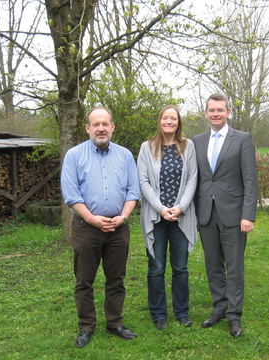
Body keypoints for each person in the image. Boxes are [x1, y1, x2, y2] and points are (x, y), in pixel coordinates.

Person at [60, 106, 140, 348]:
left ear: (113, 127)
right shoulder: (74, 156)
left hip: (118, 228)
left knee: (116, 279)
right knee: (84, 280)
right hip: (86, 228)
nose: (101, 128)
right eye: (96, 124)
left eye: (105, 123)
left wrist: (124, 216)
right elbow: (71, 195)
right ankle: (86, 326)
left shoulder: (125, 156)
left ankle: (115, 322)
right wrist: (93, 219)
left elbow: (133, 191)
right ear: (88, 128)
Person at [192, 93, 258, 338]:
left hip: (234, 215)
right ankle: (219, 307)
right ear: (206, 113)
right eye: (211, 110)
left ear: (228, 112)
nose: (216, 113)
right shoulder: (197, 141)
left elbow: (250, 180)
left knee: (234, 266)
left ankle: (234, 315)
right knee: (213, 266)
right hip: (206, 214)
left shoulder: (242, 139)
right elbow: (195, 178)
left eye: (220, 109)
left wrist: (248, 215)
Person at [137, 105, 198, 330]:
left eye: (173, 118)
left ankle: (182, 312)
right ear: (160, 121)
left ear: (178, 122)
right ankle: (159, 314)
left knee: (180, 268)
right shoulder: (147, 147)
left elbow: (192, 178)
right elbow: (143, 181)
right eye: (166, 117)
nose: (169, 121)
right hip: (156, 217)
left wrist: (180, 208)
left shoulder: (188, 146)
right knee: (156, 267)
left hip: (181, 217)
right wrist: (161, 208)